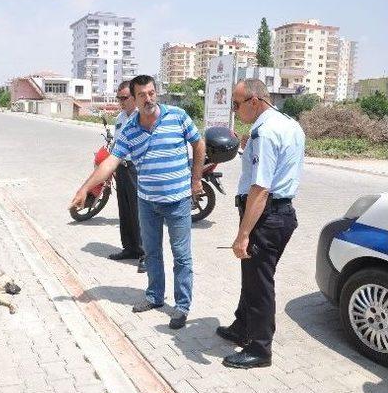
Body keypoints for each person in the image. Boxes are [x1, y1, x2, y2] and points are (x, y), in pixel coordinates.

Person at [70, 75, 205, 329]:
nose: (148, 99)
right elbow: (110, 161)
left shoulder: (177, 115)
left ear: (157, 93)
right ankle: (154, 296)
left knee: (182, 256)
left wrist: (196, 180)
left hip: (178, 200)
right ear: (134, 98)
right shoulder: (130, 128)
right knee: (151, 253)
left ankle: (182, 305)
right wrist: (85, 188)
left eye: (152, 93)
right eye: (142, 95)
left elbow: (199, 144)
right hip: (148, 202)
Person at [217, 78, 305, 369]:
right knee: (253, 277)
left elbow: (260, 189)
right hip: (280, 215)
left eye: (236, 103)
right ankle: (242, 327)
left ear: (254, 101)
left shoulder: (264, 133)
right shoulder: (288, 123)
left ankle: (259, 348)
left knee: (259, 285)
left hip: (265, 217)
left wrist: (243, 234)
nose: (234, 109)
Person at [109, 81, 145, 273]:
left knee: (140, 212)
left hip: (136, 168)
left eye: (124, 98)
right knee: (125, 210)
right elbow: (116, 144)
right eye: (119, 98)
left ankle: (145, 254)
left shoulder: (143, 118)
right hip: (121, 167)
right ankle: (130, 248)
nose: (121, 102)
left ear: (133, 97)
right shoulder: (121, 117)